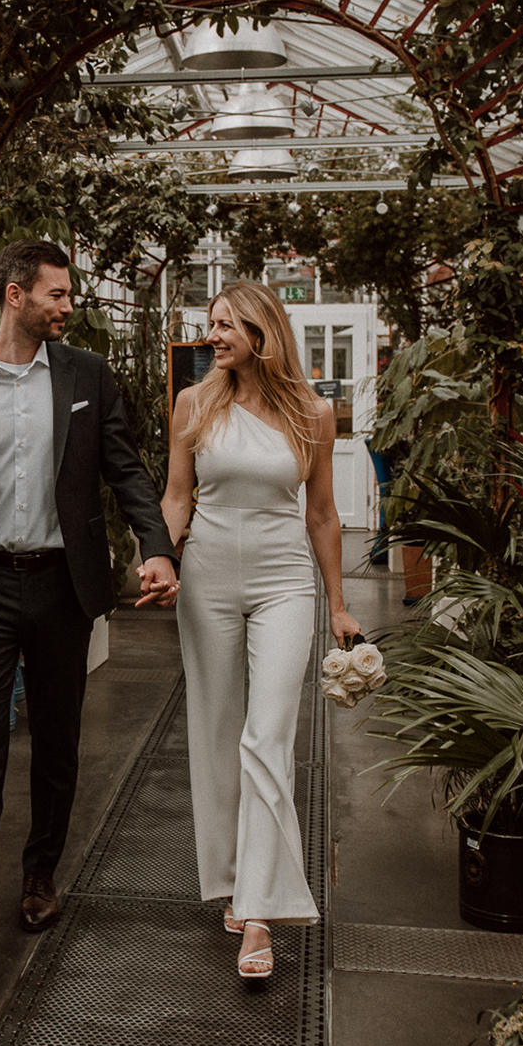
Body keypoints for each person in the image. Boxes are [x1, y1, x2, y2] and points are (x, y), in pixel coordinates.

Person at [0, 238, 181, 977]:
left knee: (58, 744)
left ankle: (39, 875)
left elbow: (124, 468)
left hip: (64, 585)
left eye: (68, 294)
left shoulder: (86, 374)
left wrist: (156, 545)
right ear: (14, 296)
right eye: (56, 295)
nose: (68, 306)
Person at [159, 280, 360, 980]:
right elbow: (178, 495)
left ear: (262, 332)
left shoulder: (312, 412)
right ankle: (232, 882)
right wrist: (160, 557)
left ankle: (262, 912)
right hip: (208, 579)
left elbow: (324, 515)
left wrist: (337, 604)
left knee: (267, 737)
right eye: (211, 324)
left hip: (284, 585)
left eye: (226, 326)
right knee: (218, 733)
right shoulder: (195, 403)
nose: (213, 336)